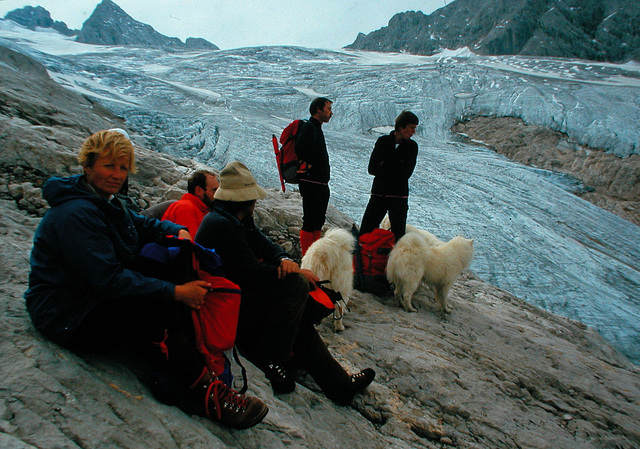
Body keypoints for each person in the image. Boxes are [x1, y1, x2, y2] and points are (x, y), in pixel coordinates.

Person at [24, 130, 267, 430]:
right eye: (109, 165)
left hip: (85, 297)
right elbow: (108, 280)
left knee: (164, 271)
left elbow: (142, 223)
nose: (117, 174)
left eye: (123, 167)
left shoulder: (105, 201)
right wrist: (176, 292)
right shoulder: (76, 214)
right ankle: (209, 394)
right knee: (153, 303)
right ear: (87, 166)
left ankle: (184, 364)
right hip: (66, 312)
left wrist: (175, 231)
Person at [196, 161, 375, 405]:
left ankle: (340, 387)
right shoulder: (221, 225)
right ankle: (273, 360)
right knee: (296, 288)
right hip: (230, 308)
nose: (255, 201)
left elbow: (264, 245)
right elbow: (250, 273)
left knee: (296, 318)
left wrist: (284, 259)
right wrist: (297, 274)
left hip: (242, 297)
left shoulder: (233, 217)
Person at [359, 110, 419, 241]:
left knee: (398, 237)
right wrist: (397, 164)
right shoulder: (382, 141)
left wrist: (385, 164)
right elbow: (372, 169)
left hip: (398, 198)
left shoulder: (412, 147)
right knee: (365, 232)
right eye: (411, 128)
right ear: (401, 127)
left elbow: (406, 173)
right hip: (380, 195)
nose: (413, 131)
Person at [295, 97, 333, 255]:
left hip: (317, 182)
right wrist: (312, 165)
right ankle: (307, 258)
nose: (331, 113)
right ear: (319, 109)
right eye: (328, 108)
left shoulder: (315, 127)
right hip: (312, 182)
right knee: (311, 221)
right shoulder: (310, 127)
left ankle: (313, 254)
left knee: (317, 221)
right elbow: (301, 148)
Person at [162, 169, 219, 236]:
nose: (217, 195)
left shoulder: (202, 209)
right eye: (214, 190)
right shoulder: (186, 208)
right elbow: (189, 243)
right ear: (199, 191)